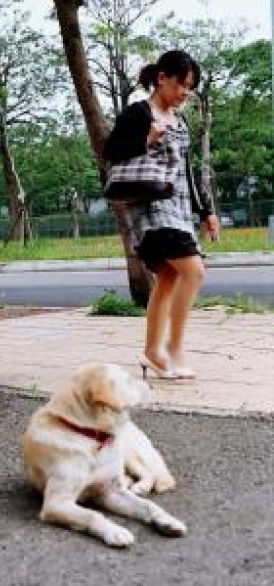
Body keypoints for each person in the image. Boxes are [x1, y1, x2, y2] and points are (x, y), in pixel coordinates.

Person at [103, 49, 220, 379]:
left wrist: (206, 211)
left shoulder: (180, 121)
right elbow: (110, 152)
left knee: (169, 278)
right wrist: (145, 140)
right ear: (162, 78)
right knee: (194, 272)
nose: (184, 92)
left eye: (189, 87)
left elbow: (188, 171)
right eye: (181, 84)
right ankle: (174, 348)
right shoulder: (138, 113)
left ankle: (153, 350)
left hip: (180, 207)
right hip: (151, 208)